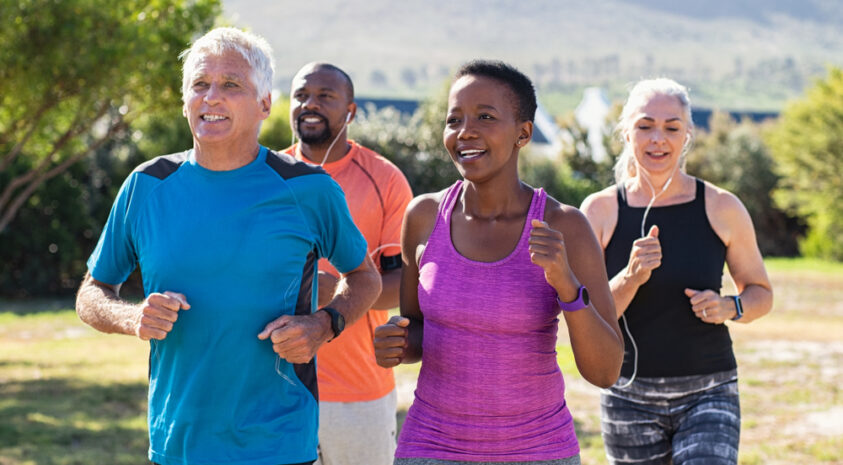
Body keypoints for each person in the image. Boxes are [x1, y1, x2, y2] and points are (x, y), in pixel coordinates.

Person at [75, 28, 382, 465]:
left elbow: (365, 277)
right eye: (199, 85)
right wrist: (131, 317)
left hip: (280, 441)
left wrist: (323, 325)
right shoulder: (146, 186)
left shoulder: (309, 189)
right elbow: (91, 292)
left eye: (231, 85)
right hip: (176, 443)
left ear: (264, 104)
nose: (211, 97)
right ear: (185, 102)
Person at [374, 60, 624, 465]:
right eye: (454, 119)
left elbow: (606, 371)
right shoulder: (422, 218)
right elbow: (418, 328)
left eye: (485, 117)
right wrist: (399, 343)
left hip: (537, 451)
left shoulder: (564, 226)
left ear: (523, 133)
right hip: (431, 447)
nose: (464, 131)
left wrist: (565, 285)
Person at [580, 78, 774, 465]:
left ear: (687, 135)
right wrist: (630, 276)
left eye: (671, 128)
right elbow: (586, 317)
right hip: (627, 396)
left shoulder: (722, 207)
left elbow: (760, 293)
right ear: (626, 131)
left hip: (710, 390)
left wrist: (730, 306)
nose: (658, 139)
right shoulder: (599, 212)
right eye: (645, 126)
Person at [283, 62, 413, 465]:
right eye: (302, 95)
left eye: (325, 96)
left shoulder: (385, 179)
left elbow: (406, 281)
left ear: (351, 111)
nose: (310, 104)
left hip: (359, 391)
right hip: (272, 387)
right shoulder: (262, 176)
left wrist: (339, 290)